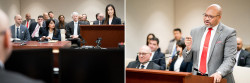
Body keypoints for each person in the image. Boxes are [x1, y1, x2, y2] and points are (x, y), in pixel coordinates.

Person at [183, 4, 236, 83]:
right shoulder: (195, 31)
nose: (207, 19)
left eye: (211, 17)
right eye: (205, 15)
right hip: (197, 77)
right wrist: (188, 48)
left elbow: (230, 59)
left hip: (217, 78)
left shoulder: (229, 32)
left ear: (219, 17)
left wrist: (219, 73)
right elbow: (187, 59)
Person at [0, 9, 43, 83]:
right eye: (18, 19)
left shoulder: (25, 28)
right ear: (15, 20)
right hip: (13, 50)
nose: (20, 20)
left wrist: (19, 41)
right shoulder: (10, 28)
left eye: (21, 19)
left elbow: (28, 39)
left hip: (22, 49)